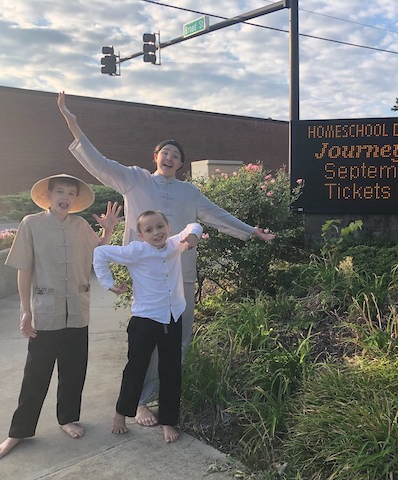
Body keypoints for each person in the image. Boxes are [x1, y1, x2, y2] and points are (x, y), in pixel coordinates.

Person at [57, 91, 276, 426]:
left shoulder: (190, 192)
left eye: (176, 155)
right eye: (165, 152)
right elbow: (99, 163)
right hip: (147, 278)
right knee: (146, 342)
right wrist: (73, 124)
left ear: (181, 164)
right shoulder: (134, 179)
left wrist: (252, 231)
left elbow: (218, 216)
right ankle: (142, 402)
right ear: (155, 156)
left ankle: (168, 397)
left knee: (179, 340)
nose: (170, 157)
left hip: (181, 274)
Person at [0, 174, 122, 460]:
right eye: (60, 191)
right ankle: (18, 431)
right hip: (45, 311)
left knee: (74, 369)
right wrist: (25, 310)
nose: (66, 197)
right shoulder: (31, 224)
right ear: (49, 196)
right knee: (36, 373)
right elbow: (23, 269)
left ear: (76, 199)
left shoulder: (80, 225)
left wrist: (108, 230)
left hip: (77, 309)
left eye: (71, 193)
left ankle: (67, 418)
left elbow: (99, 252)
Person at [94, 210, 202, 443]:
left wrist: (193, 236)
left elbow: (194, 225)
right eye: (149, 230)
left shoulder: (175, 244)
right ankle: (120, 414)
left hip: (172, 318)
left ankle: (168, 421)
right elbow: (100, 253)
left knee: (171, 371)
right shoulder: (136, 251)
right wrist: (109, 284)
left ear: (168, 227)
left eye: (160, 226)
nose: (156, 232)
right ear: (141, 235)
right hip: (145, 321)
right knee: (136, 369)